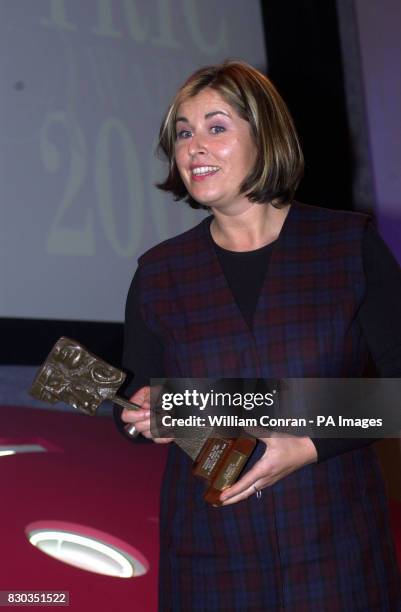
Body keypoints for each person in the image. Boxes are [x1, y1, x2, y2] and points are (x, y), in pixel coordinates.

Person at [116, 60, 401, 610]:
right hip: (208, 561)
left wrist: (308, 444)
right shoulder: (158, 272)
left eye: (216, 127)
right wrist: (139, 415)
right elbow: (135, 396)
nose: (194, 146)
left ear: (264, 135)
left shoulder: (346, 245)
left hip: (338, 558)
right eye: (183, 132)